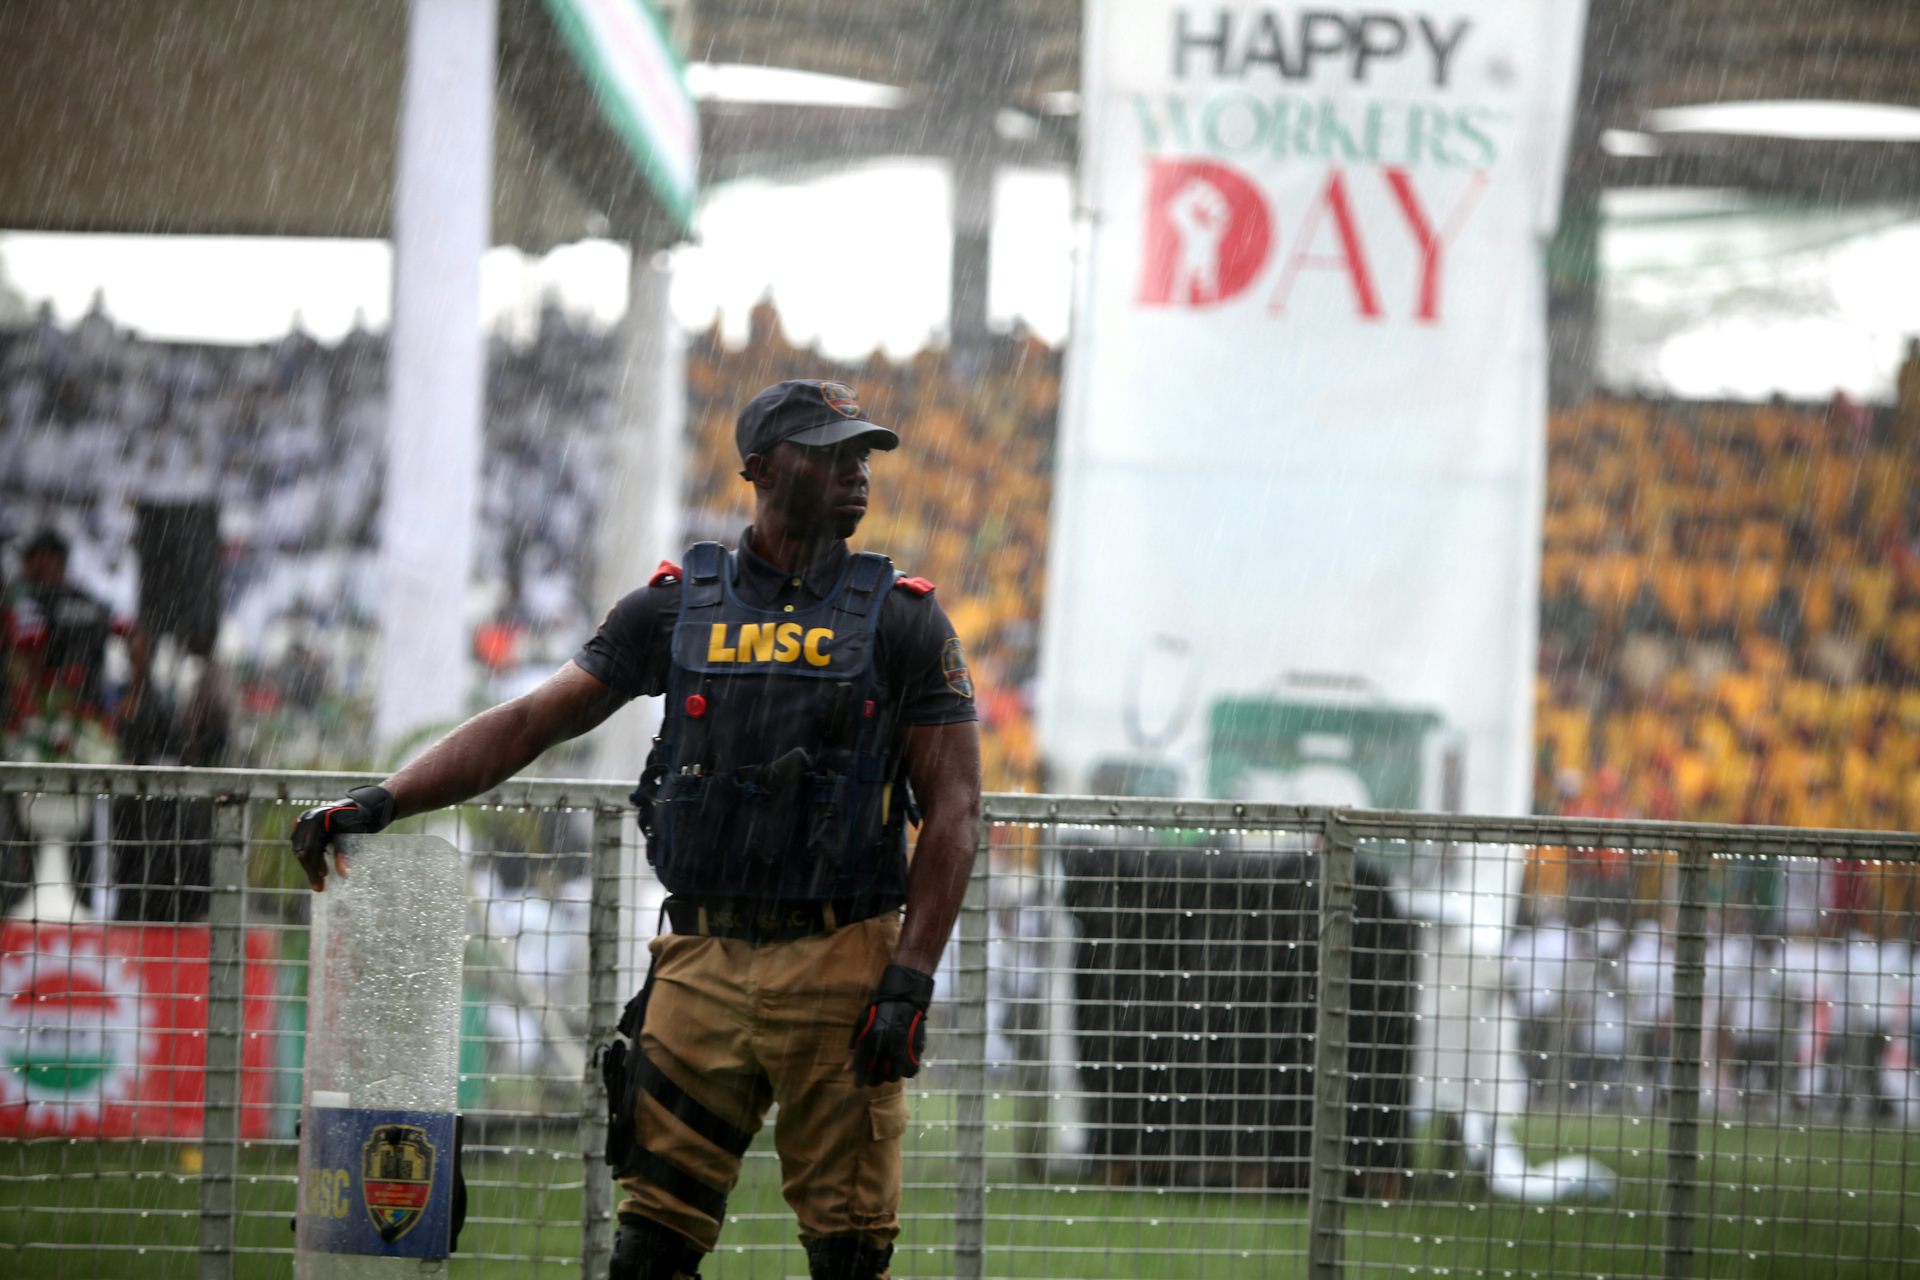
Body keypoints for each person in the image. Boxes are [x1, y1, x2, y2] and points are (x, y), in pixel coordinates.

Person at [291, 379, 983, 1280]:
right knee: (649, 1248)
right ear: (762, 469)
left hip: (844, 957)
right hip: (698, 960)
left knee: (850, 1255)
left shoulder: (903, 616)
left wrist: (908, 979)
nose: (859, 470)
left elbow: (958, 809)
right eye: (833, 451)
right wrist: (385, 799)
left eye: (864, 453)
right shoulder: (674, 608)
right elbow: (532, 720)